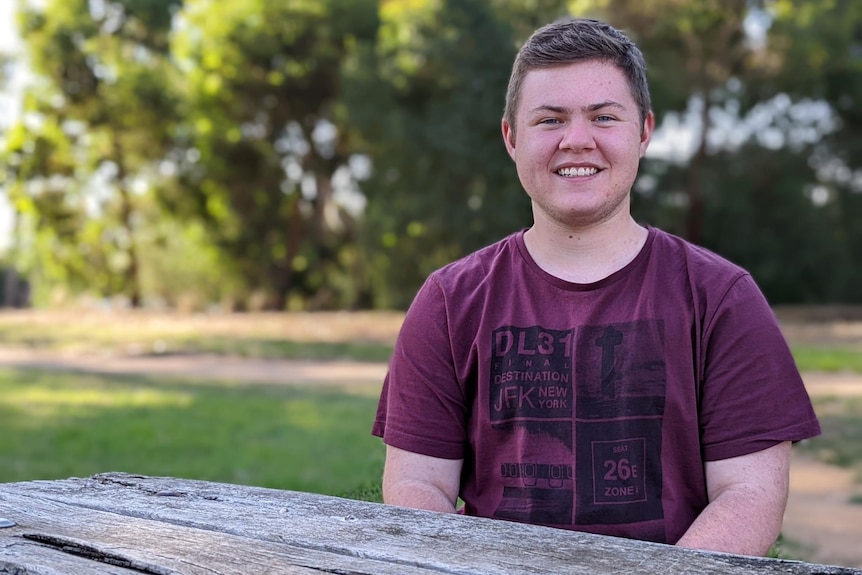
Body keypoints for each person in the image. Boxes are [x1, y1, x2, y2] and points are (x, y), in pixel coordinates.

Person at [371, 17, 820, 556]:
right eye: (549, 119)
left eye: (603, 117)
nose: (576, 140)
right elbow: (419, 485)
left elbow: (748, 494)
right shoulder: (449, 302)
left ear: (644, 132)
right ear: (512, 138)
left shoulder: (721, 298)